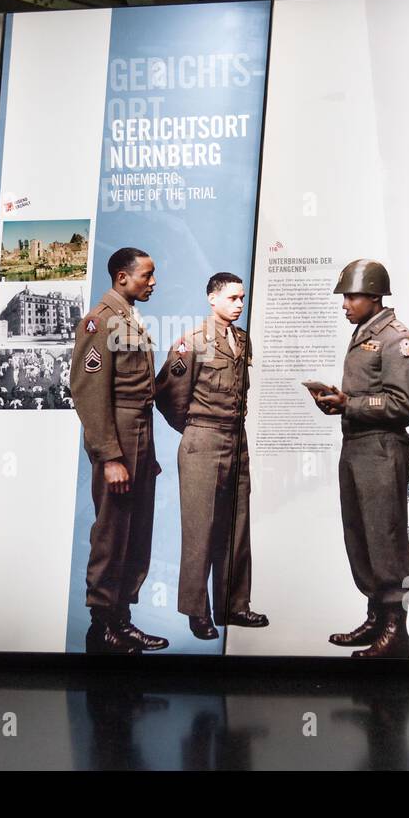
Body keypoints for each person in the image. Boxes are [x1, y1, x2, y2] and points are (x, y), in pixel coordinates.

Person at [312, 259, 409, 658]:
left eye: (351, 296)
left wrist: (351, 403)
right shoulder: (365, 332)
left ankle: (397, 628)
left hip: (381, 448)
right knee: (359, 535)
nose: (344, 304)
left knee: (385, 537)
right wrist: (341, 404)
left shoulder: (397, 339)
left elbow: (406, 404)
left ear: (374, 296)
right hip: (357, 446)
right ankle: (377, 617)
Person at [154, 272, 267, 640]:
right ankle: (197, 612)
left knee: (236, 526)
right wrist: (194, 428)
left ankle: (234, 606)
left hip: (237, 441)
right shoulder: (192, 342)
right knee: (200, 531)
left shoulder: (242, 341)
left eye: (242, 299)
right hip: (203, 440)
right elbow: (167, 394)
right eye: (232, 298)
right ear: (211, 299)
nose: (239, 304)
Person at [69, 247, 168, 655]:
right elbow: (89, 394)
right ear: (123, 277)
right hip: (119, 437)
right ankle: (102, 626)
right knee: (112, 533)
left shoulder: (128, 317)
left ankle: (122, 622)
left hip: (140, 435)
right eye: (146, 275)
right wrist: (110, 456)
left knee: (135, 532)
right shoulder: (100, 321)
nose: (153, 281)